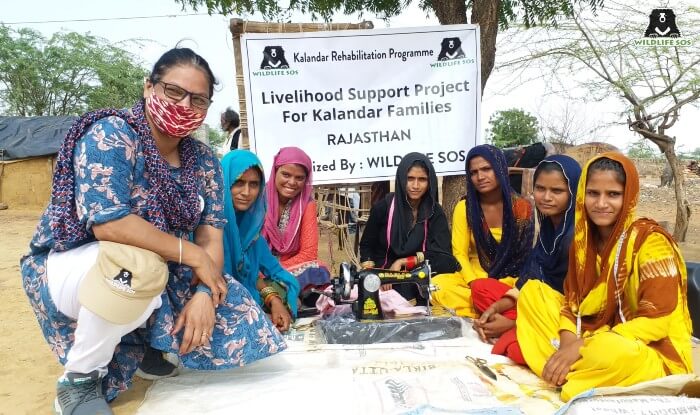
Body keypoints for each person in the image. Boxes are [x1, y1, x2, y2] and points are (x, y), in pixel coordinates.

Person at [20, 48, 286, 415]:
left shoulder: (203, 160)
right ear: (148, 87)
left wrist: (206, 292)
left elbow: (211, 233)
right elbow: (109, 223)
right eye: (173, 92)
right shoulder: (111, 135)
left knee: (235, 310)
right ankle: (79, 382)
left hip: (153, 266)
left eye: (197, 99)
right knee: (140, 268)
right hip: (75, 264)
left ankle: (145, 344)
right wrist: (192, 256)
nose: (183, 105)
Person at [517, 152, 693, 401]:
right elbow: (571, 304)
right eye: (592, 193)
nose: (601, 203)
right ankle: (571, 371)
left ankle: (564, 371)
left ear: (629, 195)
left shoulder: (650, 242)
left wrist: (582, 346)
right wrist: (569, 344)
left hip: (644, 348)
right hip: (592, 336)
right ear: (582, 195)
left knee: (609, 351)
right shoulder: (583, 241)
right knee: (534, 293)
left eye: (613, 194)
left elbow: (656, 323)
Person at [473, 155, 581, 364]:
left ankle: (519, 330)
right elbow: (528, 280)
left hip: (564, 317)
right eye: (540, 189)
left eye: (557, 191)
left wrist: (512, 323)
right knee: (480, 288)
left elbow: (575, 306)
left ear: (574, 192)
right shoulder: (550, 229)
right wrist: (495, 309)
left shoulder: (576, 238)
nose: (546, 197)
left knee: (516, 349)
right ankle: (515, 326)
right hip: (533, 303)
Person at [431, 144, 533, 317]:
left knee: (531, 291)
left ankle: (481, 308)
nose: (480, 177)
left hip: (510, 279)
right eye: (473, 172)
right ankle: (497, 308)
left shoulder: (521, 207)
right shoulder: (465, 208)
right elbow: (459, 253)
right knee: (437, 285)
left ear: (500, 169)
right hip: (472, 278)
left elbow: (524, 256)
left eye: (487, 169)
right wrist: (474, 282)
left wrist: (505, 284)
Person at [359, 152, 460, 303]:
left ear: (430, 181)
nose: (415, 186)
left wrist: (404, 261)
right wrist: (374, 274)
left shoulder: (434, 212)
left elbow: (444, 257)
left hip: (419, 274)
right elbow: (367, 246)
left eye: (422, 180)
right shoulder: (383, 208)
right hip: (385, 274)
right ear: (401, 179)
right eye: (410, 178)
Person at [222, 149, 300, 332]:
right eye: (238, 183)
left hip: (247, 298)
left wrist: (273, 299)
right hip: (213, 302)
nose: (246, 192)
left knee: (289, 289)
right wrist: (256, 313)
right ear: (223, 182)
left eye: (254, 184)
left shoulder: (250, 227)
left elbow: (273, 269)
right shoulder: (210, 225)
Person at [261, 147, 331, 306]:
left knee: (318, 269)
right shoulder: (258, 199)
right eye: (286, 175)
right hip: (258, 268)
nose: (292, 182)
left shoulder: (307, 204)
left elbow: (308, 253)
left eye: (299, 178)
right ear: (275, 171)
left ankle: (287, 294)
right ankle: (288, 296)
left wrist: (277, 271)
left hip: (289, 266)